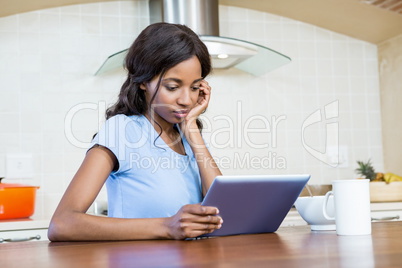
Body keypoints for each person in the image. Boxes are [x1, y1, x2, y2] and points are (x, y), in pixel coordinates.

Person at [48, 22, 223, 241]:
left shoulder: (187, 137)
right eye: (172, 87)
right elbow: (62, 223)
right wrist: (167, 226)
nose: (186, 100)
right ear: (143, 80)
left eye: (195, 87)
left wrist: (191, 129)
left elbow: (221, 211)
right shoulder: (122, 130)